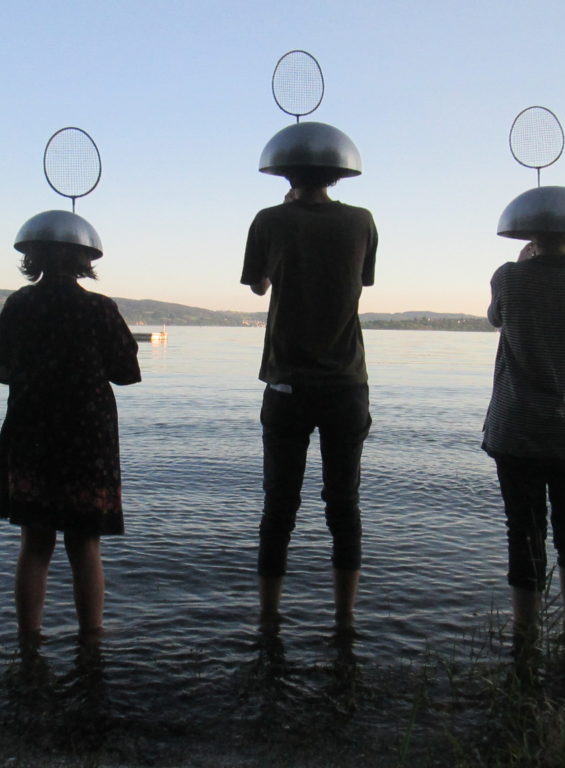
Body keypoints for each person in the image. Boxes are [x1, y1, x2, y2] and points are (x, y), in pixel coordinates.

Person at [241, 121, 378, 632]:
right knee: (344, 505)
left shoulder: (268, 220)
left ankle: (268, 618)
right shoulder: (362, 221)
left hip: (286, 384)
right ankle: (345, 618)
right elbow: (361, 279)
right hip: (347, 384)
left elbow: (258, 286)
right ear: (337, 173)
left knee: (278, 507)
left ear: (285, 172)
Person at [0, 209, 141, 650]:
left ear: (32, 256)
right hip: (87, 437)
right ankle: (91, 642)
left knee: (34, 544)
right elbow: (126, 372)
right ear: (85, 259)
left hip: (31, 431)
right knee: (85, 544)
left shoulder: (18, 305)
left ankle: (28, 642)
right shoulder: (99, 308)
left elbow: (3, 372)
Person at [483, 185, 565, 655]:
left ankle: (525, 636)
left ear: (528, 233)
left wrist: (523, 264)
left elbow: (496, 318)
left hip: (517, 431)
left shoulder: (508, 277)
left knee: (524, 534)